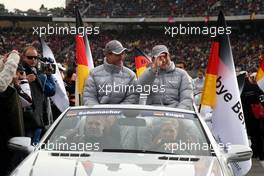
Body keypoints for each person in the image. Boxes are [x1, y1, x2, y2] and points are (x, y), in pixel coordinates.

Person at [138, 45, 193, 110]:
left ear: (169, 56)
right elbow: (139, 88)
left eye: (165, 56)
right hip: (152, 113)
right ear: (153, 59)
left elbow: (187, 99)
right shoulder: (149, 73)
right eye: (159, 57)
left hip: (174, 113)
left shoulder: (182, 74)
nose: (163, 60)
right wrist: (153, 70)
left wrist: (177, 116)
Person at [83, 40, 138, 105]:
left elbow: (133, 97)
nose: (121, 57)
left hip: (122, 114)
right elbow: (89, 97)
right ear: (108, 55)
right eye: (117, 54)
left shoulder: (131, 75)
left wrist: (117, 112)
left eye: (122, 54)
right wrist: (100, 112)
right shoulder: (94, 73)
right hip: (99, 114)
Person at [21, 46, 56, 141]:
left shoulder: (39, 71)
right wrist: (24, 81)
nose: (33, 60)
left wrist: (49, 75)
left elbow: (52, 91)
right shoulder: (19, 71)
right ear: (23, 57)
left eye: (35, 57)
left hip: (40, 116)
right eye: (30, 57)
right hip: (28, 118)